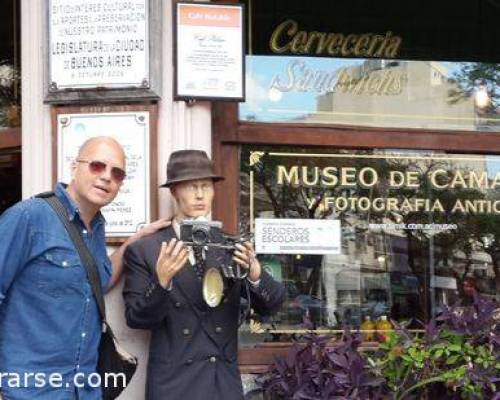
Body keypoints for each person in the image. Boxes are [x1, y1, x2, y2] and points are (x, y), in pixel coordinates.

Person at [0, 136, 170, 400]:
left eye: (117, 173)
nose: (106, 177)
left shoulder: (96, 229)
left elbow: (99, 281)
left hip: (84, 389)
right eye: (97, 165)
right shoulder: (29, 217)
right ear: (74, 166)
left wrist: (133, 242)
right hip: (28, 390)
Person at [123, 150, 285, 400]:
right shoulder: (146, 249)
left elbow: (273, 305)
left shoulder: (231, 245)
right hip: (174, 387)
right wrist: (162, 281)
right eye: (191, 187)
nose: (200, 195)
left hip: (222, 384)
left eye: (206, 186)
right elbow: (137, 318)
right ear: (174, 191)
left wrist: (255, 272)